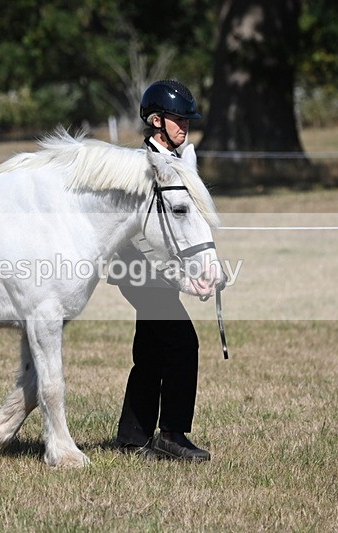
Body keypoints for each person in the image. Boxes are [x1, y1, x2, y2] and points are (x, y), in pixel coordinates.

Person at [110, 80, 210, 461]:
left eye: (187, 119)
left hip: (159, 274)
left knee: (150, 351)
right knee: (183, 345)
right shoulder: (142, 167)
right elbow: (138, 235)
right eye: (177, 119)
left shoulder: (179, 162)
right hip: (140, 272)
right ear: (155, 120)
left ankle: (133, 437)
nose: (184, 125)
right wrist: (181, 276)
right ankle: (172, 434)